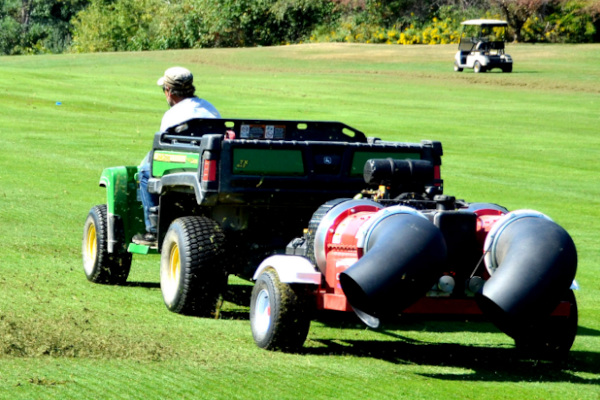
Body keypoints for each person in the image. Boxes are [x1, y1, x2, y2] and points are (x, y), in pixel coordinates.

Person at [133, 67, 221, 246]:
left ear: (169, 91)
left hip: (183, 162)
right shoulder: (209, 108)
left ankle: (152, 230)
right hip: (210, 162)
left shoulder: (172, 115)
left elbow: (163, 148)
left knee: (144, 171)